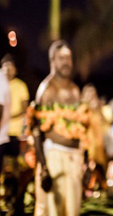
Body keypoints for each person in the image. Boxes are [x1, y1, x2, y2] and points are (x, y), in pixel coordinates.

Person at [32, 40, 85, 216]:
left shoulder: (75, 90)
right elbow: (37, 130)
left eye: (69, 57)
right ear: (52, 61)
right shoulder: (46, 89)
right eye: (61, 57)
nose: (66, 62)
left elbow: (83, 127)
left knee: (73, 211)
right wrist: (44, 168)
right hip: (53, 158)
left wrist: (84, 160)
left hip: (74, 159)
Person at [1, 54, 29, 215]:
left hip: (15, 134)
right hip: (1, 134)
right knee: (3, 170)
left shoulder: (20, 86)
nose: (8, 70)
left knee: (17, 169)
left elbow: (25, 110)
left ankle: (17, 200)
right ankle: (6, 199)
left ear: (15, 70)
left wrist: (8, 116)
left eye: (11, 67)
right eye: (5, 67)